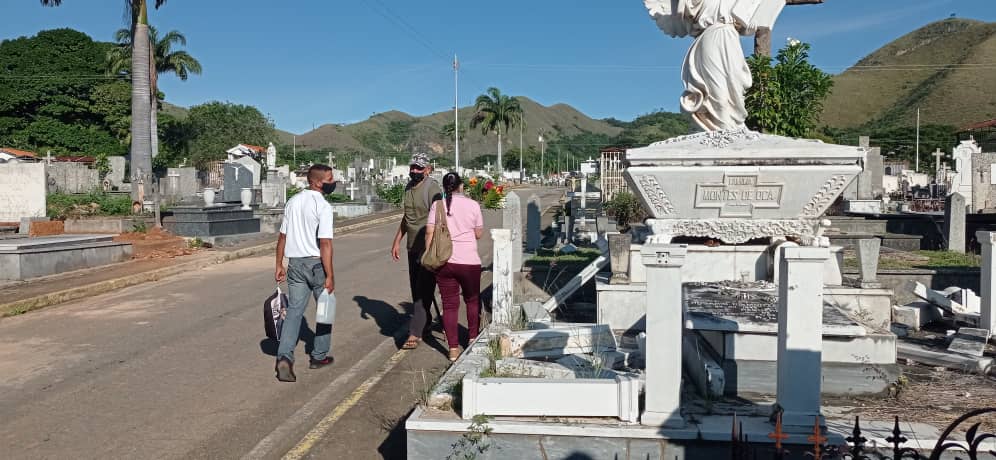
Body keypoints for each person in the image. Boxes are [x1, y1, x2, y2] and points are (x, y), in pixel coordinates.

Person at [274, 164, 337, 382]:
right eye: (330, 178)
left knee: (294, 313)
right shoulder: (323, 206)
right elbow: (326, 243)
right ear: (318, 182)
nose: (333, 181)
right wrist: (330, 274)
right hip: (316, 264)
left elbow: (283, 236)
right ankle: (318, 356)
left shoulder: (293, 202)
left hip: (295, 264)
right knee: (326, 310)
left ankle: (284, 357)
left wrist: (279, 264)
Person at [425, 172, 483, 361]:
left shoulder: (437, 205)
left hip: (445, 261)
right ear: (462, 186)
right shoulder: (473, 205)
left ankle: (452, 349)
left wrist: (430, 257)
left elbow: (429, 232)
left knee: (449, 306)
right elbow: (479, 234)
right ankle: (473, 338)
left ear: (444, 187)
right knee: (472, 300)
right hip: (469, 261)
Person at [392, 153, 443, 350]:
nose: (414, 171)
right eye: (413, 167)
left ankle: (415, 332)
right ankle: (426, 322)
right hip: (412, 246)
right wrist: (397, 240)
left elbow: (440, 216)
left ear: (428, 169)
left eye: (419, 168)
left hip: (428, 248)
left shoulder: (432, 188)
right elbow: (407, 217)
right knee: (416, 290)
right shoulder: (408, 188)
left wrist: (433, 247)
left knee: (424, 289)